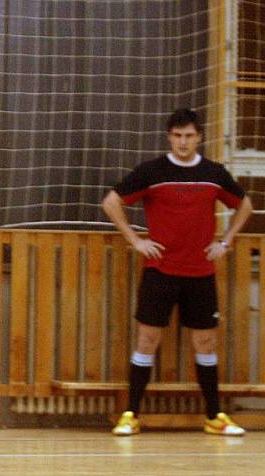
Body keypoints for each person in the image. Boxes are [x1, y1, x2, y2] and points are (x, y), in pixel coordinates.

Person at [102, 108, 252, 437]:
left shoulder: (213, 173)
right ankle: (131, 414)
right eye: (177, 135)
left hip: (200, 271)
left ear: (199, 137)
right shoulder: (152, 171)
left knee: (206, 342)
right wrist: (135, 241)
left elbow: (245, 204)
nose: (183, 142)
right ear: (169, 137)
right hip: (160, 270)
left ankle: (214, 416)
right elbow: (111, 202)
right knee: (147, 339)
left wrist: (225, 243)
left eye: (189, 135)